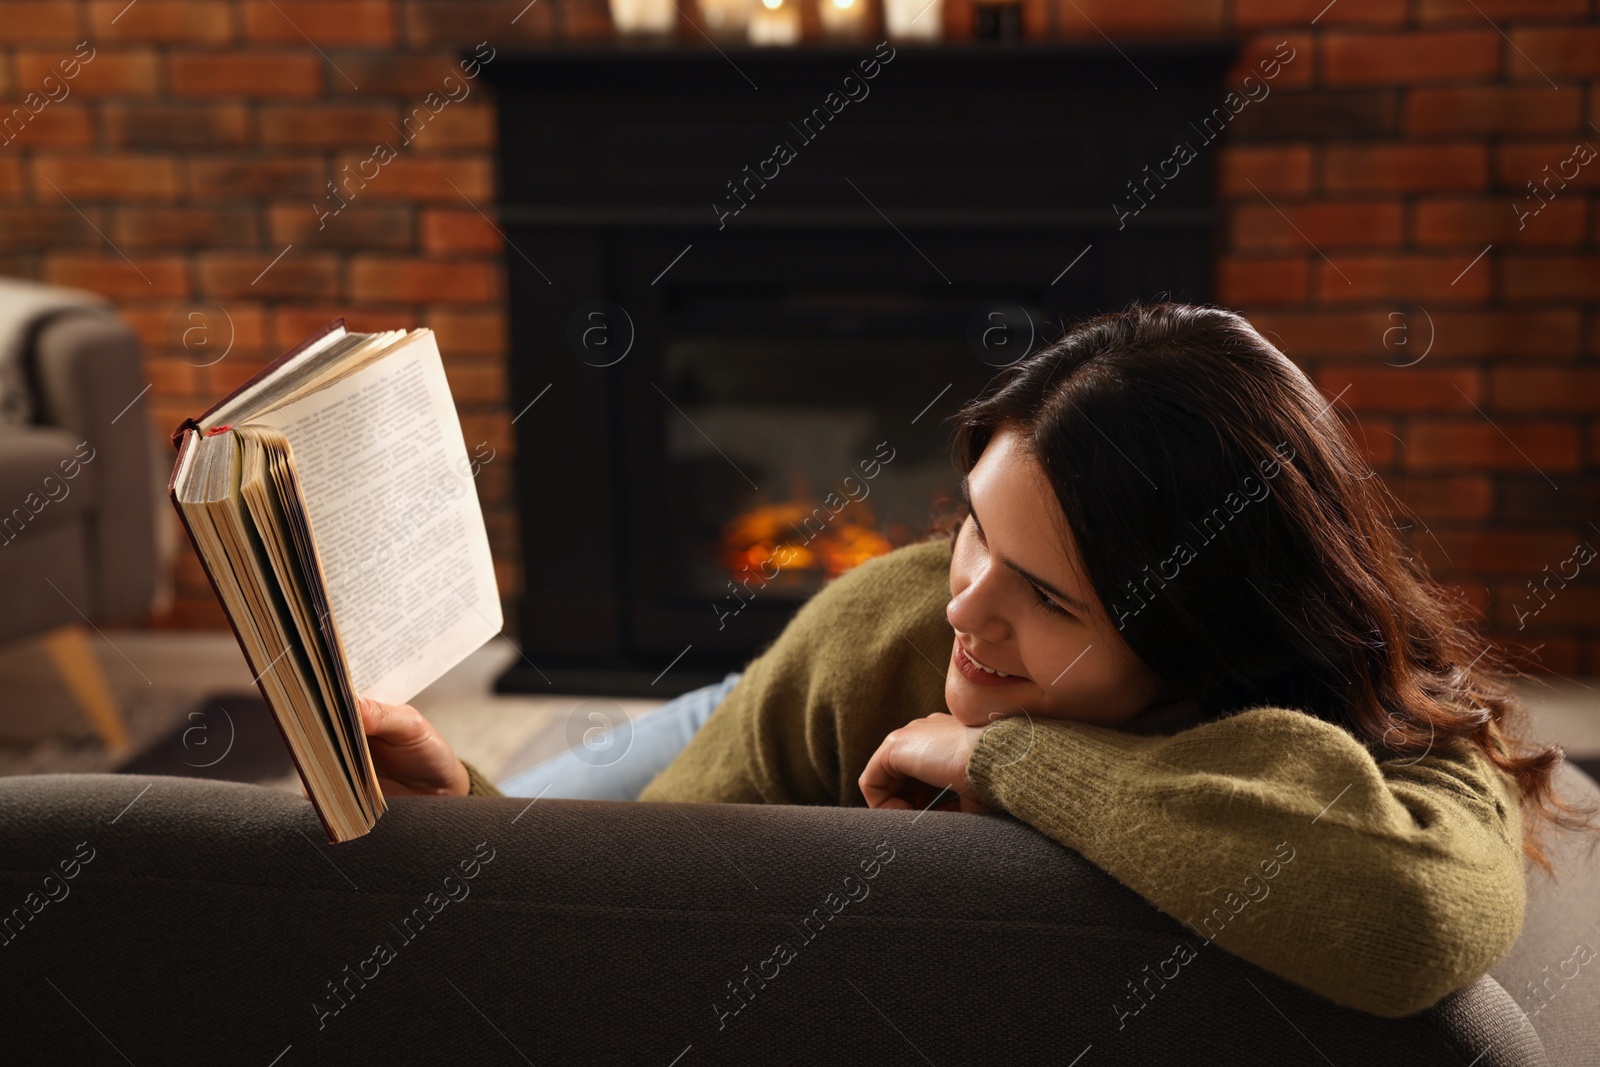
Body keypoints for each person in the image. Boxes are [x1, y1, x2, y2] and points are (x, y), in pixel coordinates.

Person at [355, 301, 1598, 1018]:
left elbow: (1407, 915)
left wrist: (1002, 758)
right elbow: (653, 893)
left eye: (1048, 593)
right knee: (511, 827)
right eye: (972, 530)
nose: (970, 610)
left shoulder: (1388, 739)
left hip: (925, 715)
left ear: (1211, 629)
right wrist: (466, 805)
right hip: (780, 705)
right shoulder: (898, 621)